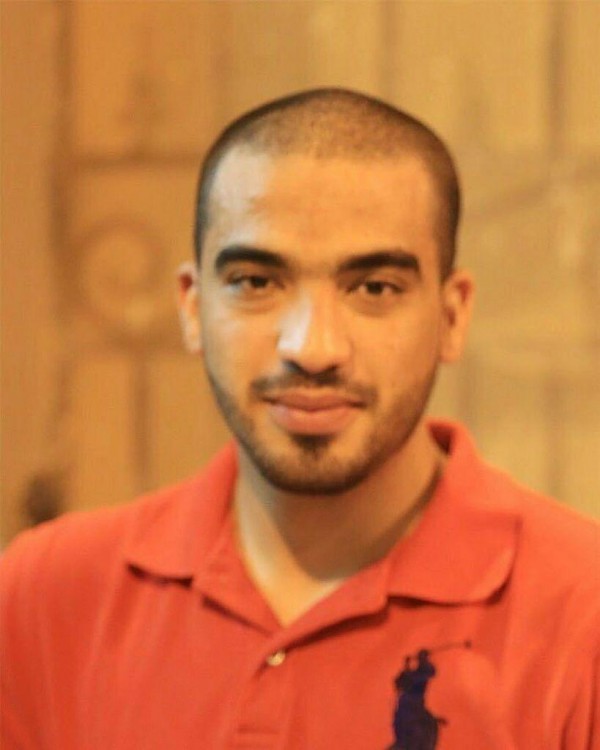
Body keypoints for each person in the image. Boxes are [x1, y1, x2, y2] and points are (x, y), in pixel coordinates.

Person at [1, 88, 598, 750]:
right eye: (256, 283)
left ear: (451, 316)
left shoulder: (583, 614)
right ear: (193, 309)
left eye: (374, 288)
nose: (312, 348)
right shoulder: (43, 597)